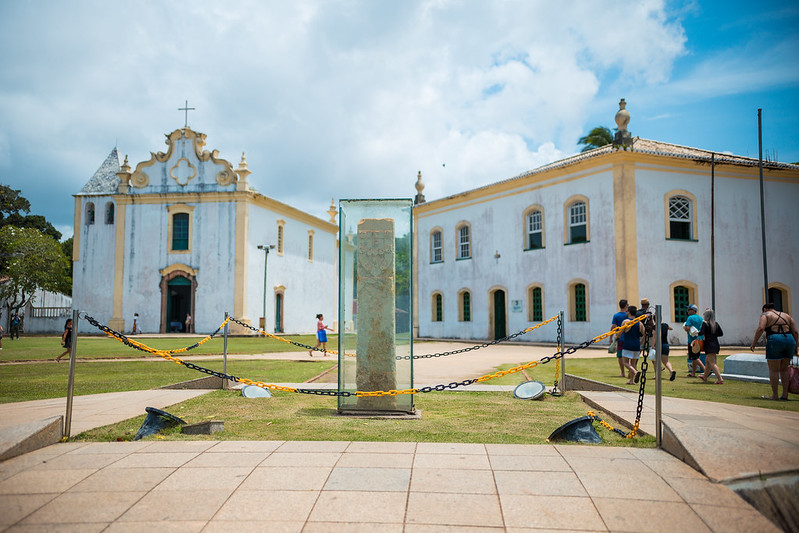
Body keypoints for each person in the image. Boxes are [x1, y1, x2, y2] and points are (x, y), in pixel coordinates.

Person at [750, 303, 798, 400]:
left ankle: (774, 395)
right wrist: (796, 345)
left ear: (765, 309)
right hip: (789, 339)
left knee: (774, 369)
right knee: (784, 369)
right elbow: (796, 331)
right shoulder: (787, 315)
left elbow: (761, 328)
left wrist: (754, 343)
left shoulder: (765, 315)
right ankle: (785, 395)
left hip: (775, 339)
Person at [699, 309, 724, 384]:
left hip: (708, 344)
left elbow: (701, 333)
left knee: (712, 362)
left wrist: (697, 332)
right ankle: (705, 376)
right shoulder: (715, 324)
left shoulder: (705, 324)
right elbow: (721, 333)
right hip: (715, 343)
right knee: (708, 361)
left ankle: (720, 379)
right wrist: (713, 334)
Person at [621, 305, 644, 384]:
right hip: (636, 345)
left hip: (628, 344)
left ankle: (635, 372)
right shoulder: (640, 323)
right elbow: (644, 334)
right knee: (633, 363)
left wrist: (616, 338)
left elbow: (620, 332)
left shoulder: (625, 322)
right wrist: (641, 343)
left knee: (625, 362)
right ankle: (631, 380)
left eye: (627, 311)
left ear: (629, 312)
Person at [683, 304, 706, 378]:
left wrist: (685, 327)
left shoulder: (690, 318)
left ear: (693, 310)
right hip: (699, 339)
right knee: (695, 357)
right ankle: (693, 373)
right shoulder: (700, 318)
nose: (687, 311)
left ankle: (705, 370)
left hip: (692, 341)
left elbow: (687, 328)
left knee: (694, 357)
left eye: (689, 309)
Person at [611, 299, 628, 377]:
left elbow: (613, 327)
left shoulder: (616, 315)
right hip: (628, 337)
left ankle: (622, 372)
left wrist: (610, 337)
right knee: (628, 355)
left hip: (620, 337)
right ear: (626, 306)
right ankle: (630, 370)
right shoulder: (628, 315)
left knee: (620, 356)